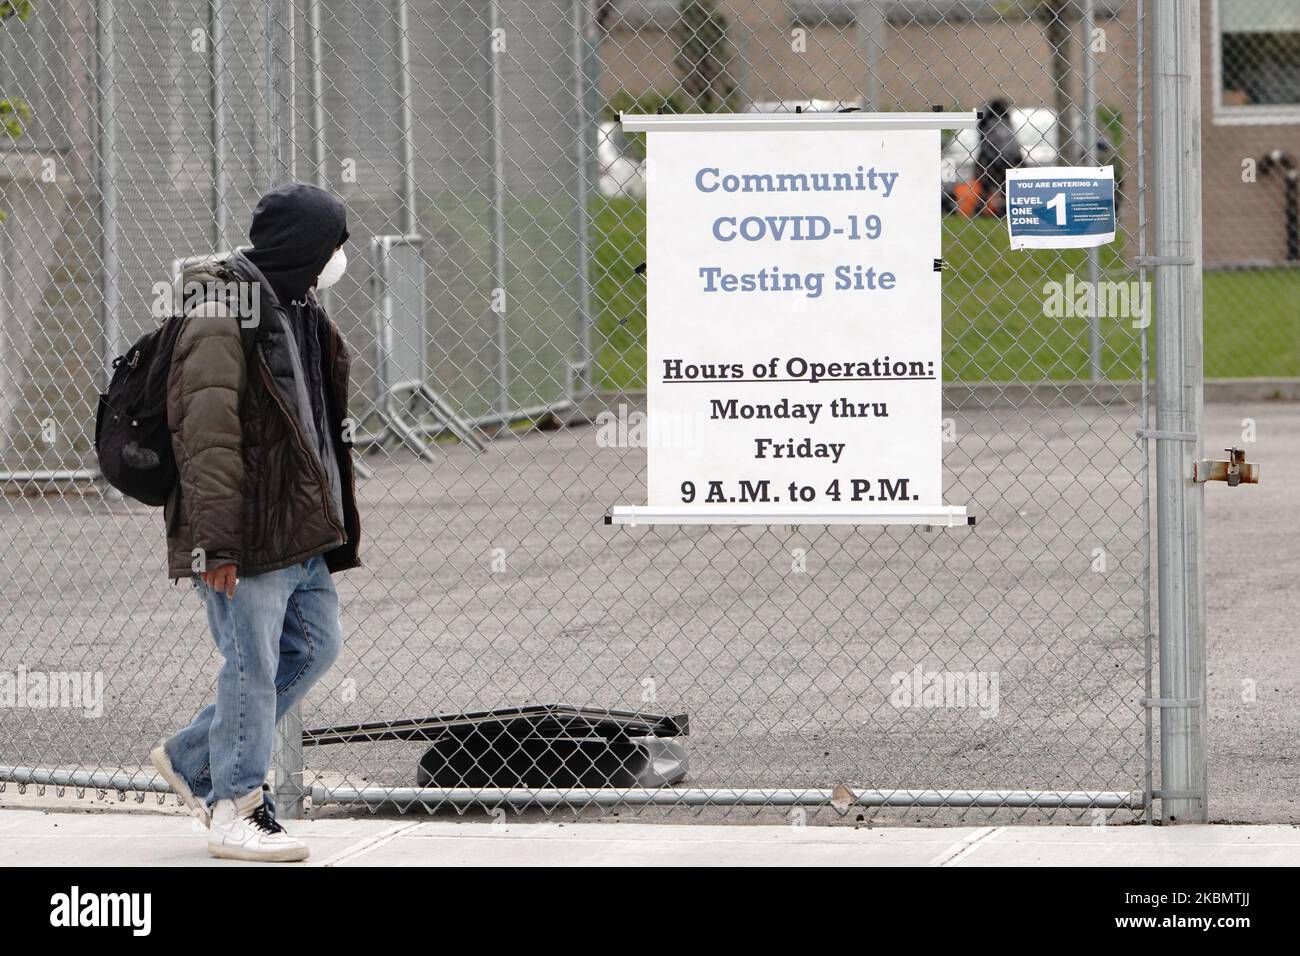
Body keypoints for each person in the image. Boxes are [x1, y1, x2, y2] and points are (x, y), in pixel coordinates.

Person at [148, 182, 362, 862]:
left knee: (314, 647)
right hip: (246, 531)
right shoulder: (220, 309)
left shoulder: (297, 304)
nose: (339, 256)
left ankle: (190, 757)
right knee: (251, 668)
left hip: (298, 531)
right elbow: (205, 436)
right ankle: (236, 808)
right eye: (333, 243)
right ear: (305, 247)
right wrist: (217, 541)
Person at [976, 98, 1022, 216]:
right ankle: (988, 209)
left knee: (990, 188)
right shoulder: (999, 121)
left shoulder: (998, 121)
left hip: (992, 160)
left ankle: (986, 209)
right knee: (998, 188)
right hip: (1000, 160)